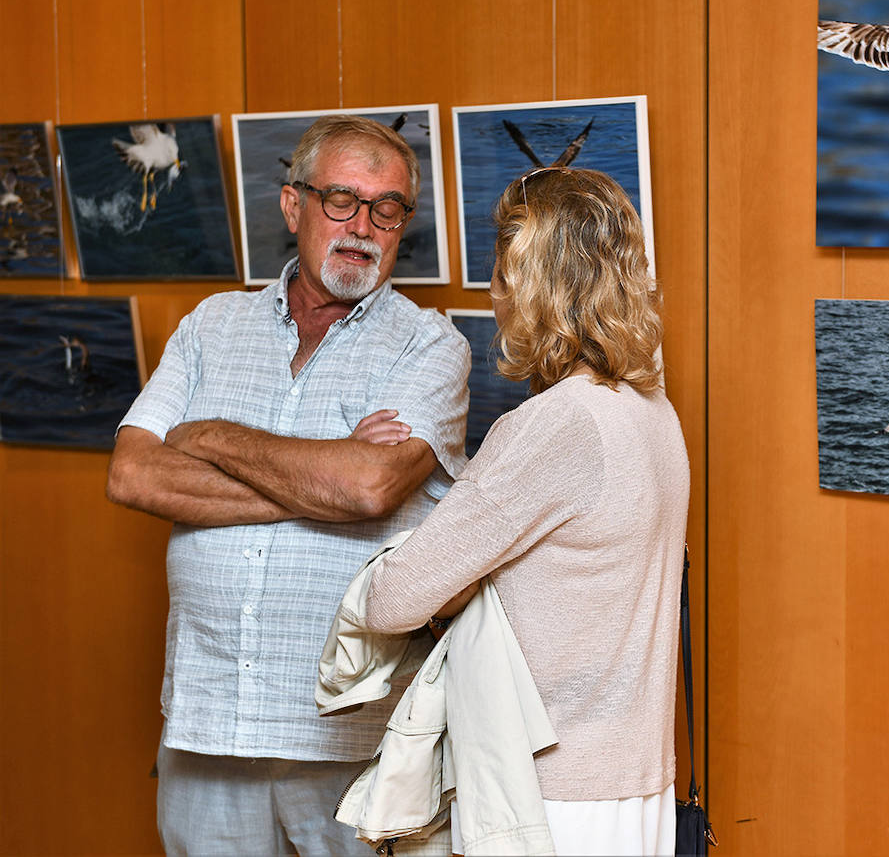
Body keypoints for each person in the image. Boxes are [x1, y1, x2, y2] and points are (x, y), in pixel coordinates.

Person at [105, 115, 471, 856]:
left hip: (354, 739)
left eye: (387, 207)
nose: (363, 225)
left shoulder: (430, 344)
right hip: (209, 728)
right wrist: (324, 473)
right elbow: (134, 472)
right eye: (341, 198)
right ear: (292, 204)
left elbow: (370, 490)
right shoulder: (211, 325)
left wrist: (211, 439)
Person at [363, 166, 689, 856]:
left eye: (503, 270)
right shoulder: (654, 412)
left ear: (538, 284)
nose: (491, 289)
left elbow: (392, 600)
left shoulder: (554, 426)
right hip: (638, 790)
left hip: (547, 802)